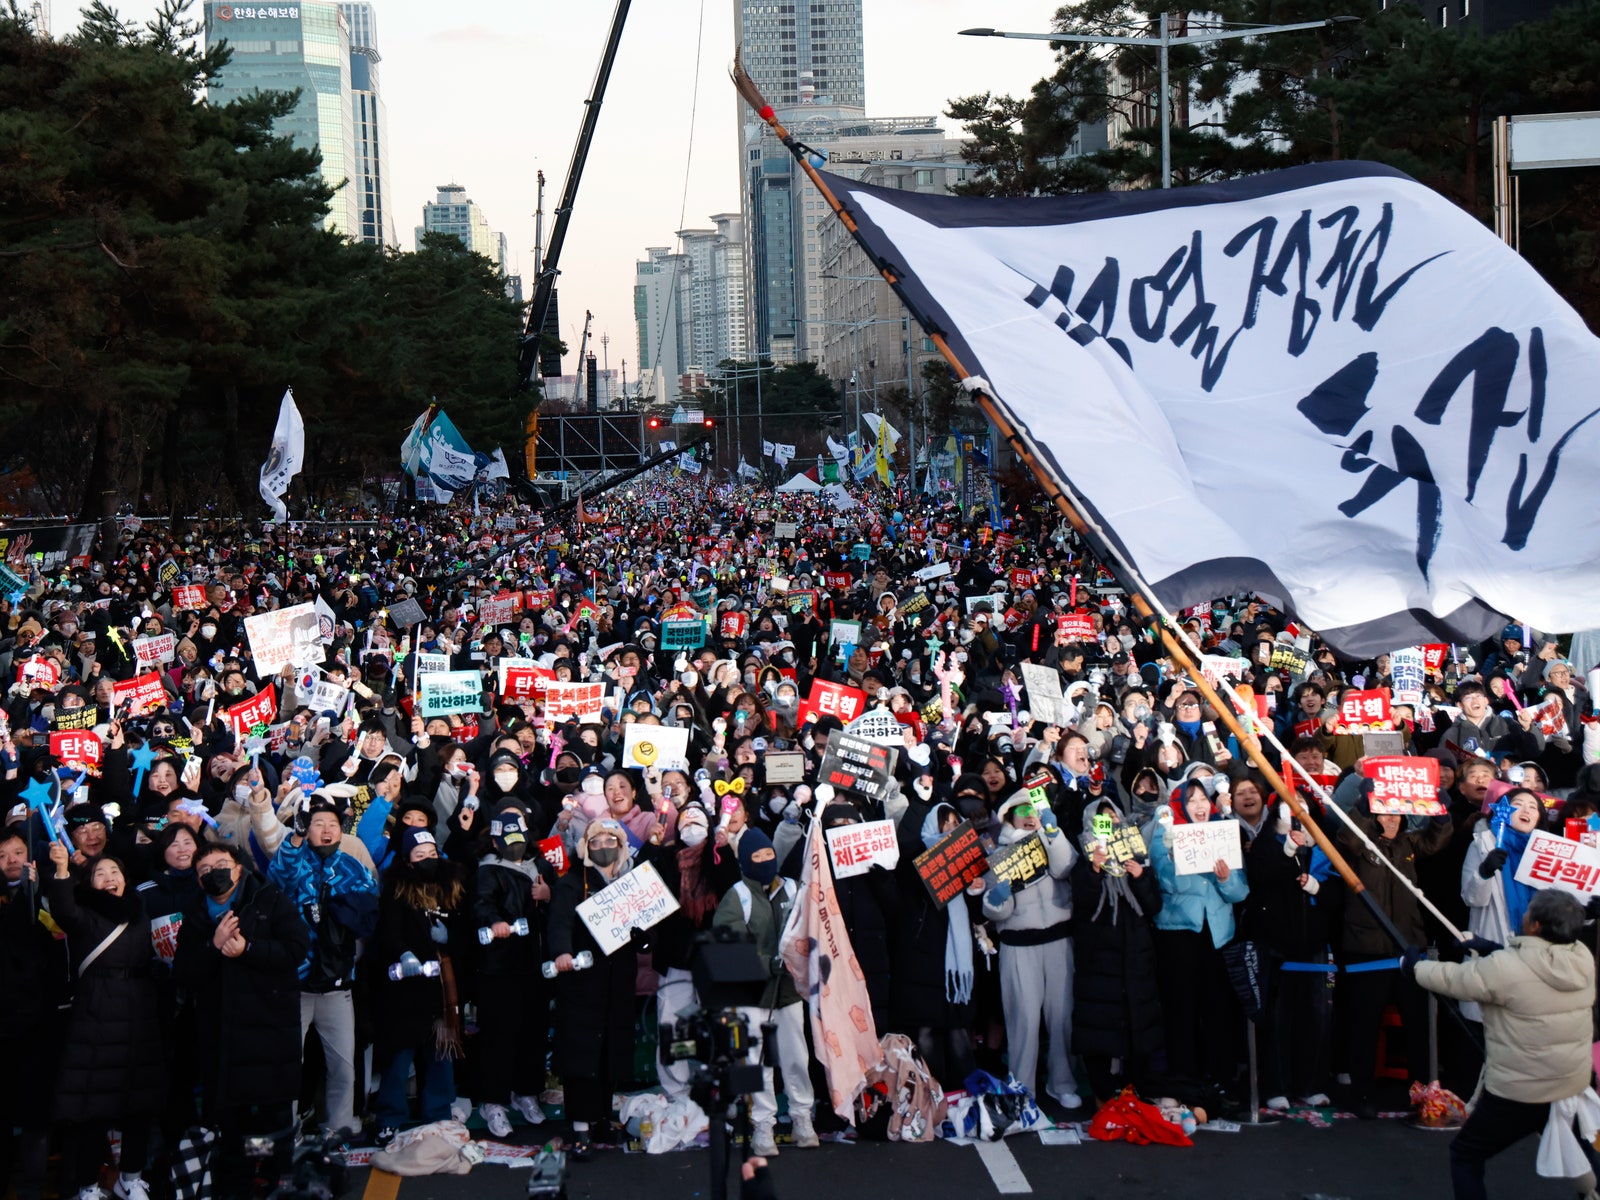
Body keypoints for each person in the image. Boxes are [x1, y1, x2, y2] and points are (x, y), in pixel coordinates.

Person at [1411, 890, 1597, 1200]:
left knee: (1465, 1154)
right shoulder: (1581, 957)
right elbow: (1533, 968)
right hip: (1570, 1083)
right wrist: (1491, 948)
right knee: (1580, 1148)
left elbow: (1455, 979)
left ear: (1535, 925)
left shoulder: (1504, 967)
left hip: (1521, 1091)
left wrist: (1413, 966)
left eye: (1528, 913)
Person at [171, 842, 310, 1197]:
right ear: (199, 880)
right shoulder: (195, 915)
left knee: (270, 1120)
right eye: (205, 870)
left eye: (222, 864)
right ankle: (238, 1181)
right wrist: (213, 947)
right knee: (230, 1121)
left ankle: (270, 1177)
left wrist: (248, 949)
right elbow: (185, 973)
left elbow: (295, 949)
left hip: (268, 1032)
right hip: (222, 1035)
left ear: (238, 867)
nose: (214, 872)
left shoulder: (269, 899)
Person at [44, 842, 165, 1200]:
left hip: (140, 1014)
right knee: (93, 1111)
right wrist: (63, 869)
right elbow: (63, 909)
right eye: (101, 873)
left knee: (139, 1106)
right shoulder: (84, 912)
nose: (110, 878)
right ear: (90, 883)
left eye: (115, 872)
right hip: (97, 1015)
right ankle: (87, 1186)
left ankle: (131, 1177)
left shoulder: (140, 911)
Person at [266, 793, 379, 1140]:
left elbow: (369, 909)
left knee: (343, 1067)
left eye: (332, 824)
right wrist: (296, 835)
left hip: (337, 983)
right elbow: (276, 879)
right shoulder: (294, 858)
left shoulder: (351, 865)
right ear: (307, 829)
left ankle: (339, 1128)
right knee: (286, 1065)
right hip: (294, 984)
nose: (327, 830)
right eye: (318, 824)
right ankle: (287, 1131)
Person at [713, 826, 816, 1154]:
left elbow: (811, 928)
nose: (764, 861)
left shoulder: (793, 889)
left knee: (796, 1056)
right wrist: (763, 963)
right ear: (745, 862)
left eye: (768, 855)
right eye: (756, 857)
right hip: (751, 994)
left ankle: (802, 1116)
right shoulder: (737, 896)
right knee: (754, 1061)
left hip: (787, 991)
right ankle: (763, 1124)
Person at [370, 827, 469, 1144]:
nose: (428, 860)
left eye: (432, 854)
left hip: (441, 987)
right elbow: (388, 930)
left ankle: (439, 1114)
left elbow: (465, 926)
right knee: (399, 1058)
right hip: (405, 989)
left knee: (440, 1053)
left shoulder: (452, 886)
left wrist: (450, 937)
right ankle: (389, 1118)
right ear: (408, 861)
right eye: (420, 856)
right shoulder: (396, 890)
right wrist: (405, 953)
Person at [980, 793, 1079, 1108]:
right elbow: (998, 910)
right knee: (1023, 1019)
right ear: (1010, 816)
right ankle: (1022, 1087)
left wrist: (1054, 834)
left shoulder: (1050, 838)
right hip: (1019, 944)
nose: (1030, 815)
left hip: (1059, 939)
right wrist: (995, 901)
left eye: (1034, 809)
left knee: (1062, 1017)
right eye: (1022, 811)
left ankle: (1062, 1082)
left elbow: (1066, 867)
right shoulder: (1001, 853)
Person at [546, 818, 638, 1160]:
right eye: (596, 841)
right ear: (586, 846)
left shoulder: (631, 881)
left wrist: (644, 939)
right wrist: (561, 952)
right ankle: (580, 1127)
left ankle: (601, 1117)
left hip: (619, 980)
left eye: (610, 840)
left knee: (611, 1051)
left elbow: (645, 925)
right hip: (583, 979)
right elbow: (559, 921)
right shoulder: (573, 881)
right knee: (582, 1054)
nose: (603, 846)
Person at [1148, 780, 1249, 1089]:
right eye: (1191, 800)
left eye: (1203, 799)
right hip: (1178, 936)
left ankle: (1220, 1078)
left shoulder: (1224, 832)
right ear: (1180, 805)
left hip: (1217, 936)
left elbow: (1240, 892)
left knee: (1218, 1008)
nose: (1199, 805)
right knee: (1181, 1008)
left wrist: (1225, 877)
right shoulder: (1165, 832)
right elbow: (1165, 880)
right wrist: (1185, 857)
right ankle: (1183, 1078)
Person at [1070, 798, 1164, 1103]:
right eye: (1102, 820)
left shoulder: (1138, 858)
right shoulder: (1082, 860)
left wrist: (1139, 877)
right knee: (1100, 1025)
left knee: (1138, 1022)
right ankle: (1101, 1091)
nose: (1109, 824)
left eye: (1113, 818)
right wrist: (1095, 868)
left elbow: (1153, 906)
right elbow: (1082, 904)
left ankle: (1135, 1090)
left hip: (1137, 955)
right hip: (1099, 958)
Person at [473, 809, 555, 1136]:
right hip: (501, 966)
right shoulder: (488, 871)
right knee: (499, 1034)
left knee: (533, 1032)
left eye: (519, 839)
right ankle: (493, 1101)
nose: (514, 845)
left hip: (536, 964)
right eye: (506, 840)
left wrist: (548, 897)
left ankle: (526, 1093)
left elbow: (561, 903)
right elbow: (482, 904)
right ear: (494, 840)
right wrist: (495, 923)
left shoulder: (542, 867)